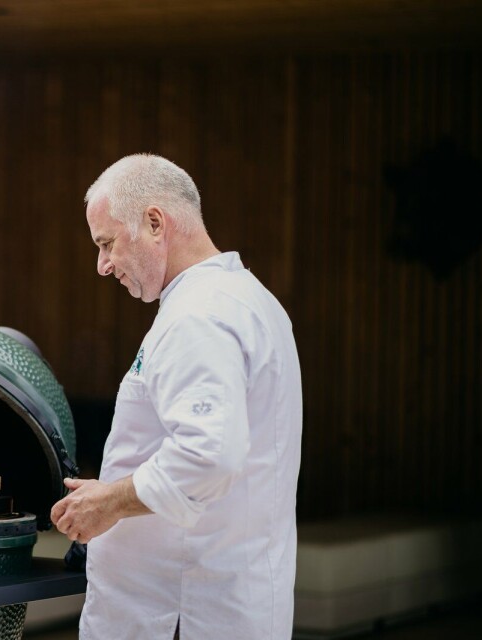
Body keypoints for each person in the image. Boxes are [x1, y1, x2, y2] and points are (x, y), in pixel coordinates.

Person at [51, 154, 302, 639]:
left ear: (154, 222)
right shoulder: (246, 297)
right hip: (217, 598)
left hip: (181, 612)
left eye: (106, 243)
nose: (102, 266)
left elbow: (209, 454)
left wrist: (111, 502)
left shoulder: (199, 315)